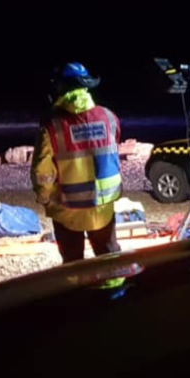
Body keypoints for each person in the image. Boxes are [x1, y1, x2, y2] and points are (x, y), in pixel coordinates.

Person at [31, 62, 123, 262]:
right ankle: (116, 292)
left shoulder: (51, 125)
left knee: (73, 265)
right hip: (103, 208)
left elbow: (42, 170)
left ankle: (79, 293)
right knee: (110, 261)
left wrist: (44, 197)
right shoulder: (109, 117)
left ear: (59, 88)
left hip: (67, 210)